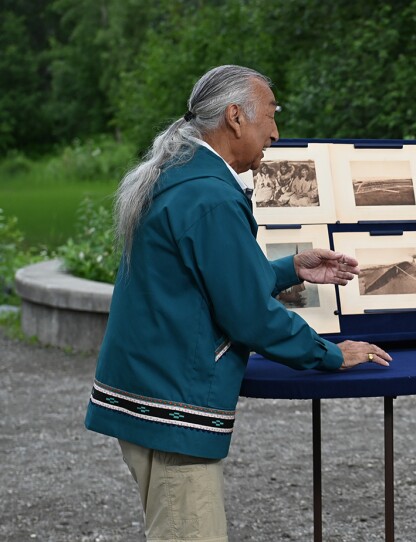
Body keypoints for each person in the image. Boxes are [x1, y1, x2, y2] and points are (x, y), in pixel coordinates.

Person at [84, 65, 391, 542]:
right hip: (172, 406)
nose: (275, 131)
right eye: (270, 115)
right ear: (235, 117)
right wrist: (331, 354)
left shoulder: (181, 175)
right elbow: (250, 317)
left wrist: (291, 268)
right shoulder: (209, 196)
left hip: (149, 395)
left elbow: (206, 282)